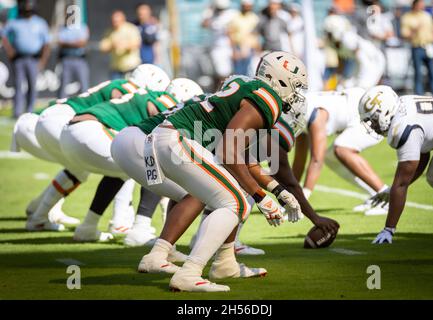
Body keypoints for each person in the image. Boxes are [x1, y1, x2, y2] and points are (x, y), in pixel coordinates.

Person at [112, 51, 311, 292]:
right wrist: (259, 197)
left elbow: (241, 157)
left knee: (223, 194)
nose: (296, 94)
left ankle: (223, 263)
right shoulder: (267, 98)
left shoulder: (247, 87)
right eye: (296, 85)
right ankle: (190, 272)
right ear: (279, 79)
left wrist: (278, 191)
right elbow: (229, 151)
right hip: (176, 139)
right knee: (236, 203)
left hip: (164, 139)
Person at [18, 64, 169, 232]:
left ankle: (38, 212)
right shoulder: (130, 91)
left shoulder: (120, 84)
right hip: (62, 120)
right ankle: (120, 221)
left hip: (46, 120)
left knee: (78, 169)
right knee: (126, 162)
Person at [59, 79, 202, 242]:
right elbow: (159, 128)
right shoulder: (168, 100)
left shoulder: (148, 94)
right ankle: (140, 228)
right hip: (92, 130)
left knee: (123, 170)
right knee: (154, 162)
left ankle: (88, 227)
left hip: (72, 131)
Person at [359, 86, 433, 244]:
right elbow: (422, 154)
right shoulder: (403, 103)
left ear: (386, 112)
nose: (372, 126)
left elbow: (401, 184)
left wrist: (389, 228)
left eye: (373, 120)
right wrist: (392, 190)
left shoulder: (401, 128)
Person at [292, 88, 390, 215]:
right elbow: (299, 159)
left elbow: (316, 160)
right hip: (360, 108)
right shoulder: (299, 112)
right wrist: (292, 195)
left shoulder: (313, 114)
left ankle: (387, 198)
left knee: (342, 148)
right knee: (330, 156)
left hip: (370, 114)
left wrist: (303, 197)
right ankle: (378, 196)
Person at [2, 0, 50, 118]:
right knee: (18, 85)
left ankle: (30, 111)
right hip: (19, 58)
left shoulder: (40, 22)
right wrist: (9, 50)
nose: (28, 12)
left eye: (30, 10)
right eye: (26, 10)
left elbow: (46, 43)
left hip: (34, 59)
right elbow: (3, 35)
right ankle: (17, 112)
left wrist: (43, 61)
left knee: (32, 86)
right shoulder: (15, 22)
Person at [324, 14, 385, 89]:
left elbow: (363, 60)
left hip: (373, 60)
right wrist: (340, 78)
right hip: (358, 62)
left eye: (329, 33)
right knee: (345, 87)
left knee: (362, 88)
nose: (327, 35)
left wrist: (361, 79)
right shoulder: (334, 42)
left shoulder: (347, 39)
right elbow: (342, 60)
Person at [401, 0, 433, 96]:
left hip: (429, 47)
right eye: (420, 4)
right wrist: (415, 30)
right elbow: (404, 35)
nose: (422, 6)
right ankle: (418, 95)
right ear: (415, 5)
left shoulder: (427, 16)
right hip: (417, 47)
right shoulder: (407, 17)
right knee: (418, 74)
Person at [202, 0, 238, 88]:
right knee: (218, 73)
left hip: (226, 48)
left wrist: (234, 50)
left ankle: (225, 90)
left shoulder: (230, 15)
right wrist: (209, 11)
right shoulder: (212, 15)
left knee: (227, 73)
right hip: (216, 49)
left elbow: (232, 34)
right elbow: (204, 24)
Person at [57, 7, 90, 98]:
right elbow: (60, 42)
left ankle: (85, 107)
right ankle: (60, 108)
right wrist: (75, 43)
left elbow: (82, 43)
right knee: (63, 85)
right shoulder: (62, 28)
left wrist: (68, 43)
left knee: (84, 85)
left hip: (80, 59)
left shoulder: (82, 27)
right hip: (66, 59)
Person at [100, 10, 142, 80]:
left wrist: (124, 45)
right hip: (116, 69)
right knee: (115, 89)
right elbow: (103, 47)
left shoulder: (131, 29)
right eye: (113, 21)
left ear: (123, 19)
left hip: (131, 67)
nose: (115, 23)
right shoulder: (109, 32)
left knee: (132, 89)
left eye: (117, 21)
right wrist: (113, 45)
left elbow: (137, 44)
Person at [227, 0, 259, 76]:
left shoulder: (254, 18)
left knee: (249, 73)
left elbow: (255, 35)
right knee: (238, 73)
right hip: (238, 47)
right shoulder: (236, 17)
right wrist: (234, 50)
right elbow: (231, 33)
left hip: (250, 48)